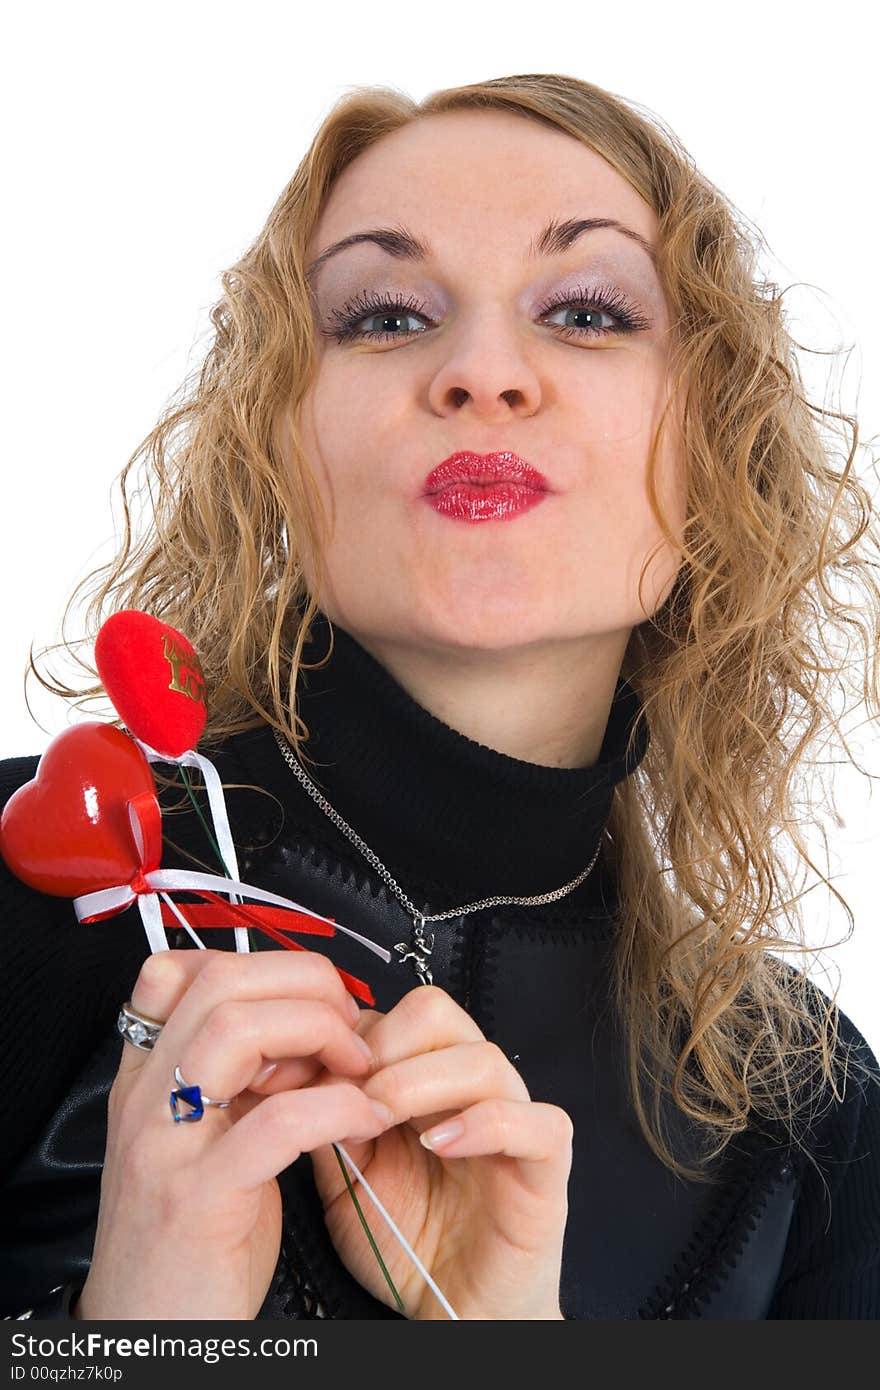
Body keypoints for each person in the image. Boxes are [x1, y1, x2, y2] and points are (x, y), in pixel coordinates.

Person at [2, 72, 879, 1322]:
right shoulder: (44, 876)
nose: (480, 372)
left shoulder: (812, 1110)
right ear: (273, 440)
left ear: (718, 447)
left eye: (584, 311)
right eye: (383, 314)